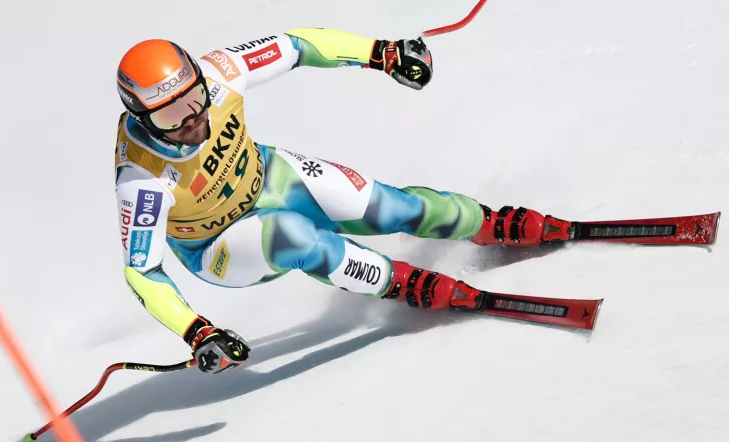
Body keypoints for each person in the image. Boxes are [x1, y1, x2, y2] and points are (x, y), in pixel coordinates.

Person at [113, 29, 572, 374]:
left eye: (194, 98)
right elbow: (142, 271)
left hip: (269, 177)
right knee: (294, 237)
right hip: (218, 246)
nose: (193, 118)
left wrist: (381, 54)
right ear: (142, 117)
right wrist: (198, 332)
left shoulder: (220, 73)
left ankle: (485, 222)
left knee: (393, 209)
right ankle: (401, 283)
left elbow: (296, 46)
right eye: (171, 115)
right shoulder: (141, 177)